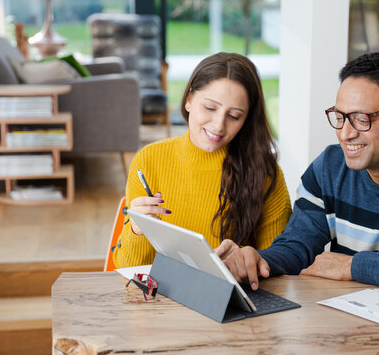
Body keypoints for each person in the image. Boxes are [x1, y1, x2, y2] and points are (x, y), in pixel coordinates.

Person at [216, 52, 379, 300]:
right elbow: (296, 247)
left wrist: (355, 265)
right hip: (349, 329)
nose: (345, 133)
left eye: (361, 119)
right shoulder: (329, 170)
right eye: (340, 116)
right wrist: (255, 259)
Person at [113, 52, 292, 268]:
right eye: (210, 108)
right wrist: (137, 229)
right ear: (189, 100)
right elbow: (126, 269)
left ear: (247, 119)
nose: (218, 125)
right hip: (160, 299)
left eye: (234, 116)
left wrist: (252, 260)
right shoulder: (148, 161)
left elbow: (280, 266)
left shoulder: (265, 173)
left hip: (231, 297)